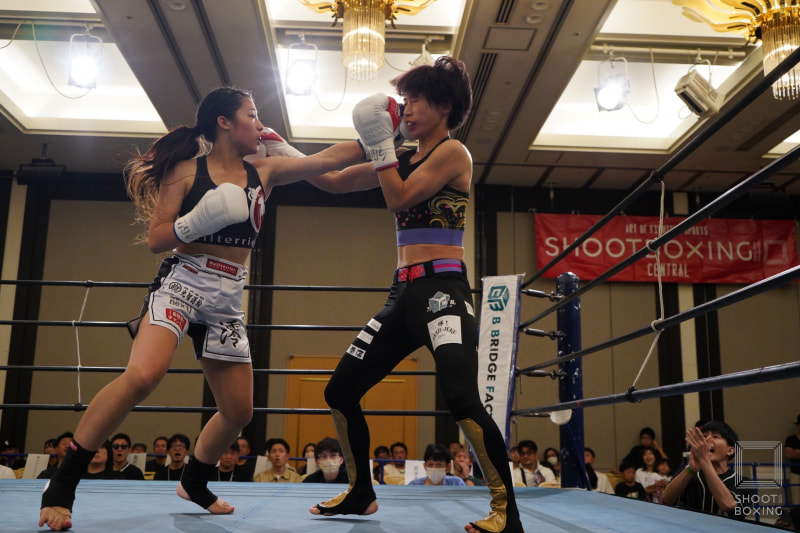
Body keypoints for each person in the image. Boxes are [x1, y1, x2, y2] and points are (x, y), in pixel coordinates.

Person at [37, 86, 370, 531]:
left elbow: (328, 160)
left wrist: (386, 135)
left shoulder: (265, 170)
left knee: (238, 412)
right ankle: (62, 485)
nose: (260, 124)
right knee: (143, 375)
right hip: (183, 281)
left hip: (228, 296)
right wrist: (197, 220)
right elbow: (156, 238)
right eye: (252, 114)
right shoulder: (185, 170)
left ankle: (194, 481)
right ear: (224, 122)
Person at [310, 56, 524, 533]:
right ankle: (361, 492)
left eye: (417, 100)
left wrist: (382, 149)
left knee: (462, 398)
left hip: (443, 292)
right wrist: (276, 151)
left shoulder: (453, 153)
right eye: (404, 99)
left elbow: (399, 198)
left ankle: (506, 513)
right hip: (402, 295)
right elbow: (333, 181)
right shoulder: (401, 156)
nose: (405, 108)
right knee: (340, 391)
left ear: (444, 106)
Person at [662, 420, 745, 518]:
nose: (706, 440)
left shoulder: (743, 482)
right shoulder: (688, 473)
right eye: (704, 436)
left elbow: (728, 505)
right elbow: (666, 499)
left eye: (715, 436)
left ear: (730, 450)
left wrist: (704, 461)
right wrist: (691, 469)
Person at [785, 414, 800, 505]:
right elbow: (789, 454)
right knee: (796, 502)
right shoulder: (791, 439)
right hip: (795, 473)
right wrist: (793, 452)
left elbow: (792, 453)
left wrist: (796, 452)